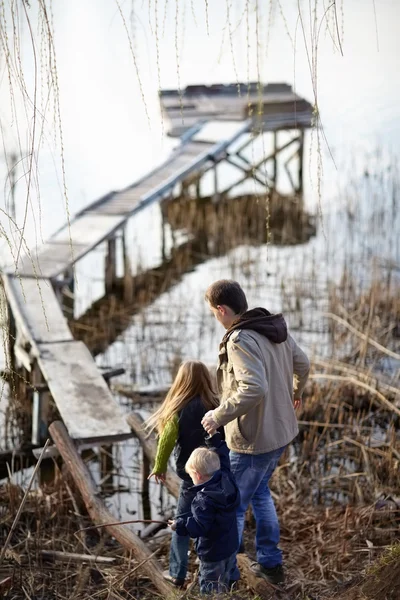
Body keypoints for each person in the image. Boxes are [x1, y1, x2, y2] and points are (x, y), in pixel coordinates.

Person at [201, 279, 310, 586]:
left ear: (221, 310)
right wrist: (295, 393)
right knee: (260, 493)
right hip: (280, 433)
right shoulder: (271, 328)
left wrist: (218, 415)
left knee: (233, 504)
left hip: (254, 440)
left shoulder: (239, 340)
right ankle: (271, 565)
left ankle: (230, 574)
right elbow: (303, 364)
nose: (214, 317)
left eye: (212, 312)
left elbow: (254, 386)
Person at [145, 360, 222, 588]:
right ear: (206, 380)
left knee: (181, 523)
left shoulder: (179, 408)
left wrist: (159, 467)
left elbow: (167, 440)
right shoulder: (216, 405)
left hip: (192, 477)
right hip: (216, 474)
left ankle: (178, 572)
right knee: (209, 516)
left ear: (181, 381)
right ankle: (206, 559)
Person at [169, 432, 240, 595]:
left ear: (198, 475)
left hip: (212, 552)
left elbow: (198, 527)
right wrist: (213, 440)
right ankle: (227, 591)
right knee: (227, 575)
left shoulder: (203, 499)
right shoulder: (226, 477)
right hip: (230, 544)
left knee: (211, 587)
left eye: (191, 475)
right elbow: (224, 456)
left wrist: (178, 525)